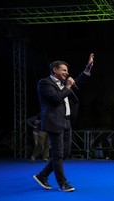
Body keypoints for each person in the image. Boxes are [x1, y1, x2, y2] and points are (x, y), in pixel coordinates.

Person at [33, 53, 94, 192]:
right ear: (55, 70)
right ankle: (63, 183)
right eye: (64, 70)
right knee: (58, 154)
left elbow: (77, 80)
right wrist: (67, 86)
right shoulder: (45, 83)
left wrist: (87, 68)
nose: (67, 73)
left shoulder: (63, 83)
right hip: (54, 122)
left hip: (66, 122)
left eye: (67, 70)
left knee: (65, 153)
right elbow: (55, 98)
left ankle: (42, 176)